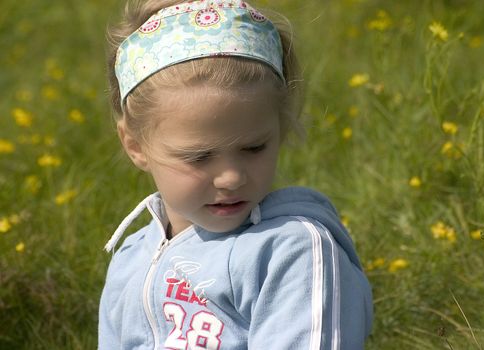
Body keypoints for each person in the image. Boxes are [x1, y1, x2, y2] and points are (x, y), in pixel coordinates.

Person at [98, 0, 373, 348]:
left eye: (253, 148)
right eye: (199, 157)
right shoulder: (130, 259)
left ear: (280, 127)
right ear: (135, 145)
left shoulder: (291, 252)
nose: (231, 178)